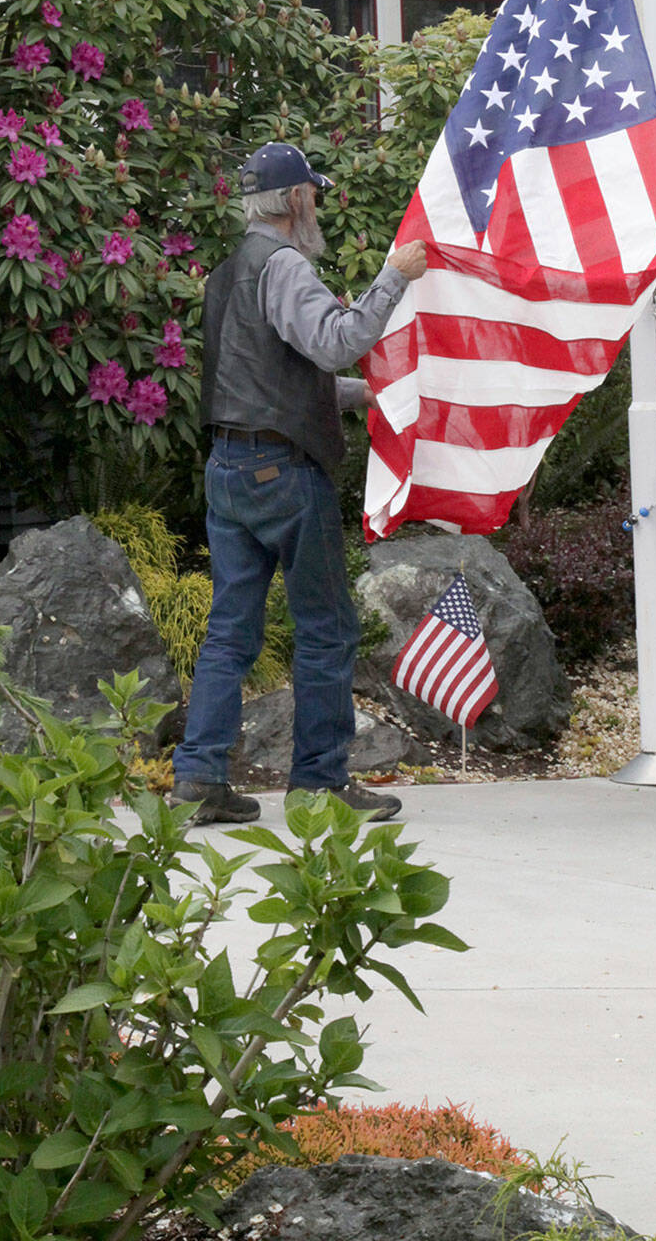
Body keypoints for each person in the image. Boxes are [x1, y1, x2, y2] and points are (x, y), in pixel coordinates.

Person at [169, 141, 427, 827]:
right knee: (327, 629)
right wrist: (394, 277)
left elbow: (266, 377)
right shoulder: (285, 266)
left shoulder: (229, 272)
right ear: (297, 200)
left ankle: (198, 778)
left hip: (228, 469)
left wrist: (363, 396)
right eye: (313, 193)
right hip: (283, 474)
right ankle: (318, 782)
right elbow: (338, 340)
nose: (317, 203)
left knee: (230, 631)